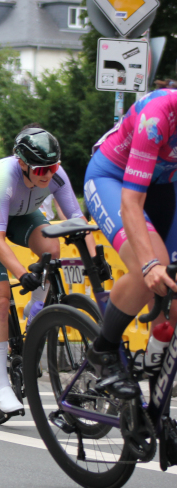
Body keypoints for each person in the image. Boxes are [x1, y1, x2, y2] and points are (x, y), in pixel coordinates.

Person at [0, 126, 101, 413]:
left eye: (53, 167)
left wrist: (96, 258)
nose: (48, 175)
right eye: (40, 170)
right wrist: (23, 274)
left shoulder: (53, 175)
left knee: (52, 249)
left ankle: (36, 310)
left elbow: (76, 220)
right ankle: (1, 387)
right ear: (22, 163)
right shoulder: (4, 177)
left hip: (21, 213)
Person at [84, 88, 177, 398]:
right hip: (114, 179)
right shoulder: (157, 115)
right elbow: (131, 202)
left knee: (174, 300)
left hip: (165, 188)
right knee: (148, 269)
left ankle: (155, 377)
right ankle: (103, 350)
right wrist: (149, 262)